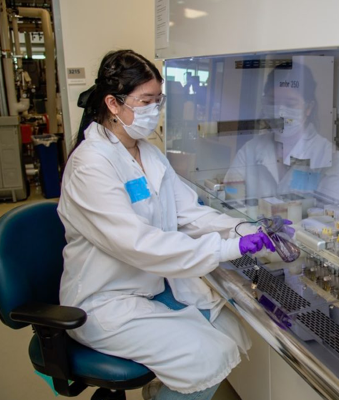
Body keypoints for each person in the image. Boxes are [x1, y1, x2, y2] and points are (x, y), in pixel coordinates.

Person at [58, 50, 277, 400]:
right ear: (113, 104)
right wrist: (226, 248)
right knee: (206, 355)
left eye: (158, 101)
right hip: (105, 299)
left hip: (150, 286)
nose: (154, 110)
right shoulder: (90, 166)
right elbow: (139, 244)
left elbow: (189, 213)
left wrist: (245, 230)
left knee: (231, 329)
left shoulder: (148, 153)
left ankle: (162, 389)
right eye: (145, 101)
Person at [223, 62, 339, 203]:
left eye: (290, 104)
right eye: (272, 103)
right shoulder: (250, 150)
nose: (280, 112)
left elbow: (331, 211)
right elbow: (231, 199)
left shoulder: (331, 158)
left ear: (308, 108)